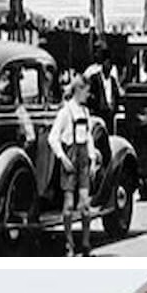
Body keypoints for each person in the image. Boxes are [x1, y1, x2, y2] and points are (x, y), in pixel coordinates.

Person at [48, 76, 101, 257]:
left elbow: (89, 138)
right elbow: (53, 138)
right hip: (70, 159)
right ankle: (69, 243)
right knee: (69, 205)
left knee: (85, 205)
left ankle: (85, 244)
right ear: (79, 89)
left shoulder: (86, 113)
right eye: (86, 91)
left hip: (84, 160)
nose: (88, 95)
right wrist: (62, 158)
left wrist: (93, 159)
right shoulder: (65, 112)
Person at [84, 42, 123, 127]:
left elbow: (117, 93)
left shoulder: (112, 80)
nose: (109, 67)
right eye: (107, 64)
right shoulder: (94, 77)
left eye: (110, 65)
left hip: (111, 112)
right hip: (99, 113)